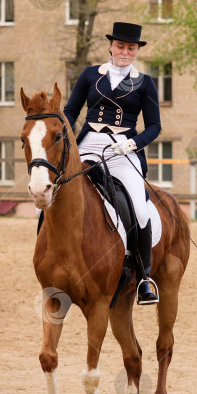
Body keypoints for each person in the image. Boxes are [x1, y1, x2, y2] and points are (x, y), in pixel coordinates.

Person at [63, 21, 161, 305]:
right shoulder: (90, 74)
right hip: (88, 145)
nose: (125, 52)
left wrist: (131, 144)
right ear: (110, 46)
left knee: (140, 209)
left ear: (137, 50)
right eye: (121, 46)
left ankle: (144, 278)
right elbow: (70, 110)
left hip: (123, 151)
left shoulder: (145, 82)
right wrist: (61, 135)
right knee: (51, 191)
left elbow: (154, 127)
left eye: (131, 48)